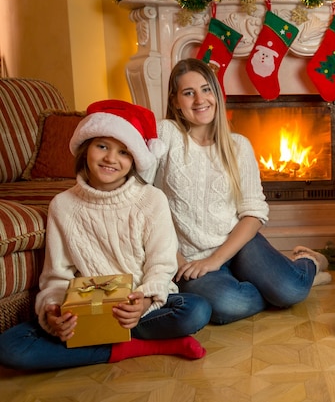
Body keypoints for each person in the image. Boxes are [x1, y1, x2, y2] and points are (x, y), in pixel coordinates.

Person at [0, 100, 211, 370]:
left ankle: (106, 344)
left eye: (124, 152)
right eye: (102, 146)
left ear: (134, 159)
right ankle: (138, 347)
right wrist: (55, 312)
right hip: (89, 312)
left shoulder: (151, 199)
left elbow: (161, 264)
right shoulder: (62, 206)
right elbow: (56, 276)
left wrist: (145, 300)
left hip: (139, 310)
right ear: (86, 148)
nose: (111, 158)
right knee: (10, 348)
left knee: (196, 310)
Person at [150, 58, 331, 325]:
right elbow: (146, 200)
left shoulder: (238, 146)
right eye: (189, 93)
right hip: (188, 255)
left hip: (239, 244)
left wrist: (216, 259)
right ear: (175, 101)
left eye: (206, 89)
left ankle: (309, 262)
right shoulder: (165, 134)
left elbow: (254, 213)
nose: (200, 99)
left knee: (290, 290)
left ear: (216, 95)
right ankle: (277, 283)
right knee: (228, 305)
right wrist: (173, 258)